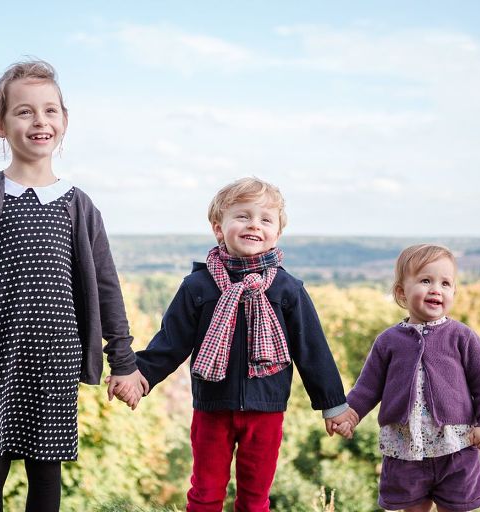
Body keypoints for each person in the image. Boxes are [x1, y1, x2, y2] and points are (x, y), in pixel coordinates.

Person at [0, 59, 145, 512]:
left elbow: (107, 289)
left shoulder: (79, 205)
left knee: (46, 470)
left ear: (64, 121)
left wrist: (124, 362)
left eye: (50, 111)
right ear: (0, 124)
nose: (39, 121)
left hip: (55, 355)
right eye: (24, 111)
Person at [111, 177, 354, 511]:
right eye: (243, 216)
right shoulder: (199, 286)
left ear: (277, 234)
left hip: (266, 410)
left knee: (255, 499)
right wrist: (139, 375)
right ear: (218, 228)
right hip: (212, 408)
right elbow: (171, 342)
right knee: (205, 493)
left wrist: (333, 404)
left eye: (265, 219)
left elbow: (312, 349)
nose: (254, 224)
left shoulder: (287, 290)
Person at [335, 244, 480, 512]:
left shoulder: (462, 337)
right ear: (402, 292)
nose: (436, 289)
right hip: (405, 448)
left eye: (445, 283)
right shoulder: (388, 341)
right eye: (426, 280)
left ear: (453, 292)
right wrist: (350, 414)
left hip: (456, 446)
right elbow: (367, 387)